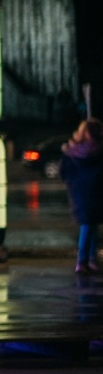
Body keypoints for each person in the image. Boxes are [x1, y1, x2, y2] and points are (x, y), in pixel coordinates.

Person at [60, 117, 102, 274]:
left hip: (79, 193)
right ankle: (85, 260)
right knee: (89, 225)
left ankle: (88, 259)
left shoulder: (72, 151)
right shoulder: (98, 151)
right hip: (95, 192)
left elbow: (64, 172)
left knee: (89, 224)